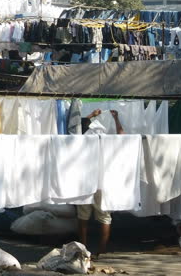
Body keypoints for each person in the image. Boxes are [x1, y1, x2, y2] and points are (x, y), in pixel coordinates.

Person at [77, 108, 124, 257]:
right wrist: (116, 119)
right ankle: (101, 251)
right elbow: (122, 136)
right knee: (104, 217)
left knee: (83, 217)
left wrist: (91, 115)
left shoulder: (83, 139)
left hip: (84, 182)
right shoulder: (108, 141)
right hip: (103, 184)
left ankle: (83, 250)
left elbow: (79, 125)